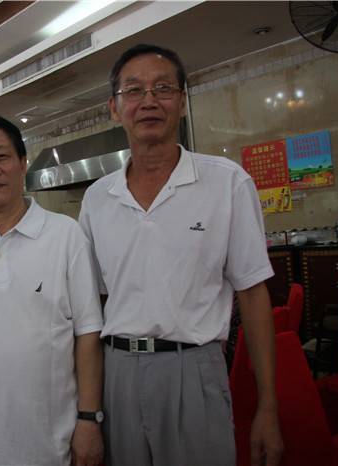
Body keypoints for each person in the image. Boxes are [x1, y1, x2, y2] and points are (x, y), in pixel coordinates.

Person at [79, 44, 283, 466]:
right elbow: (90, 306)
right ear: (114, 108)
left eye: (163, 88)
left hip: (194, 368)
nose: (149, 101)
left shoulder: (227, 183)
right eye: (133, 90)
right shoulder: (98, 198)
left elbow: (252, 294)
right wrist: (87, 411)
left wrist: (268, 406)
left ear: (183, 102)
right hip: (116, 372)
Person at [0, 114, 104, 466]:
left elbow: (88, 333)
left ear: (22, 163)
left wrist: (89, 419)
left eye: (2, 157)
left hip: (54, 441)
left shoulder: (65, 235)